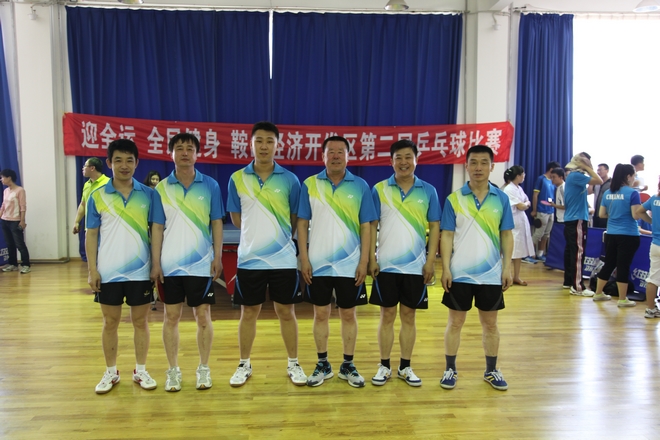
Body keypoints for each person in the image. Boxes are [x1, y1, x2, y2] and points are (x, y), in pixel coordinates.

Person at [226, 121, 306, 387]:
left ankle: (293, 363)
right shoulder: (237, 178)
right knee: (248, 312)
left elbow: (294, 218)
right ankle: (244, 364)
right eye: (259, 141)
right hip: (250, 259)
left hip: (283, 259)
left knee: (286, 312)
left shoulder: (290, 180)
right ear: (250, 144)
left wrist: (277, 238)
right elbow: (236, 218)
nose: (264, 146)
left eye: (269, 141)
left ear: (277, 145)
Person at [298, 135, 377, 388]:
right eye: (330, 152)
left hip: (350, 265)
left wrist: (363, 262)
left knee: (348, 314)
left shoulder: (360, 186)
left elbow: (366, 226)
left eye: (340, 152)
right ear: (322, 156)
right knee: (320, 314)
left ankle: (348, 365)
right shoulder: (310, 184)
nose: (335, 156)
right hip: (318, 264)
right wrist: (303, 258)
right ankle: (323, 363)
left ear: (347, 156)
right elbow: (302, 224)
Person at [85, 139, 163, 394]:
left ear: (137, 163)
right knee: (110, 322)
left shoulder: (149, 195)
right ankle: (111, 372)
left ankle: (140, 370)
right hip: (108, 272)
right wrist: (92, 270)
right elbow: (91, 235)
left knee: (141, 321)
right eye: (118, 160)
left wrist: (156, 264)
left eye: (130, 160)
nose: (124, 165)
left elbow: (156, 230)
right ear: (109, 163)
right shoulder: (97, 196)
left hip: (141, 271)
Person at [150, 132, 224, 392]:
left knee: (203, 316)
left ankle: (204, 368)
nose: (184, 152)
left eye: (189, 148)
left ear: (197, 154)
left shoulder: (210, 185)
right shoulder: (161, 189)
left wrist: (218, 256)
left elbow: (216, 222)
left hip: (201, 264)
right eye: (179, 148)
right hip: (170, 265)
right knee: (171, 317)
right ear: (171, 153)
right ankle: (173, 370)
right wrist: (156, 262)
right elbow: (157, 227)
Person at [439, 145, 514, 391]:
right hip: (459, 274)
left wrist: (507, 267)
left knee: (490, 324)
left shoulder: (501, 198)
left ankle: (491, 370)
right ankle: (450, 369)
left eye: (484, 162)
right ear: (466, 166)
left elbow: (506, 235)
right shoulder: (454, 199)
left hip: (491, 275)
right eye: (473, 162)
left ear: (492, 166)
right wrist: (446, 268)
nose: (478, 167)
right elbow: (447, 235)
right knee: (455, 323)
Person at [368, 139, 440, 387]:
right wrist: (371, 258)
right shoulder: (379, 189)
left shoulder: (428, 191)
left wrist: (430, 261)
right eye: (398, 157)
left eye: (408, 157)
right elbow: (372, 225)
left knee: (409, 316)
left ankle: (405, 366)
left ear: (416, 160)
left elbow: (435, 227)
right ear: (391, 162)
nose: (403, 162)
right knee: (386, 315)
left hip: (415, 267)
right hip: (386, 266)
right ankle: (384, 365)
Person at [591, 164, 642, 307]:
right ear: (628, 176)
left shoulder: (608, 192)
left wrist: (615, 215)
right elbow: (635, 215)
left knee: (609, 264)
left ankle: (598, 293)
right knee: (623, 266)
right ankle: (622, 299)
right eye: (634, 176)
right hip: (628, 234)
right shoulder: (632, 193)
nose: (634, 178)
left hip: (611, 234)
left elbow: (601, 214)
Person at [563, 153, 602, 297]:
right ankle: (577, 286)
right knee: (578, 253)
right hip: (577, 219)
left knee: (571, 252)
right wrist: (587, 167)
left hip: (572, 219)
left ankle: (569, 281)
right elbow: (599, 180)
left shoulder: (573, 176)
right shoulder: (576, 176)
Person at [72, 158, 109, 262]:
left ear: (92, 168)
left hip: (105, 226)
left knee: (105, 256)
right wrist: (76, 222)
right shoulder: (87, 185)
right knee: (92, 258)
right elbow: (83, 204)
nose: (83, 168)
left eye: (85, 166)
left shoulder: (108, 183)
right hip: (90, 227)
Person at [503, 166, 535, 286]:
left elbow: (527, 201)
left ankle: (516, 276)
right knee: (510, 250)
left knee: (519, 250)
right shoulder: (509, 189)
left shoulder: (519, 188)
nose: (524, 176)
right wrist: (525, 204)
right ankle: (507, 276)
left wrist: (525, 204)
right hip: (513, 221)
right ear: (518, 176)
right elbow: (521, 206)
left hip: (521, 220)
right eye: (523, 174)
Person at [635, 177, 660, 318]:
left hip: (656, 244)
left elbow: (639, 211)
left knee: (653, 278)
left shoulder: (654, 198)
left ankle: (650, 309)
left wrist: (652, 222)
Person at [0, 169, 31, 274]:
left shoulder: (20, 190)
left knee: (20, 244)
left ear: (9, 177)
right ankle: (13, 264)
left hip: (15, 221)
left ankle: (26, 265)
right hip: (5, 220)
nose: (1, 179)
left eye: (2, 177)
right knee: (9, 243)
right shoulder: (5, 191)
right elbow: (3, 206)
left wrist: (22, 221)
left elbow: (23, 206)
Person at [531, 161, 561, 262]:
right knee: (538, 233)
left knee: (546, 234)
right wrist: (534, 210)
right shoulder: (541, 179)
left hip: (551, 210)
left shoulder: (553, 181)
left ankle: (540, 253)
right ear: (551, 169)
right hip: (542, 210)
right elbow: (535, 195)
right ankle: (529, 253)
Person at [591, 163, 610, 228]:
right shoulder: (596, 183)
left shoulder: (611, 183)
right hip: (596, 213)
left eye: (600, 170)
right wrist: (592, 180)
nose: (598, 172)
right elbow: (589, 191)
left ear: (607, 171)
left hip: (606, 214)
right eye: (597, 170)